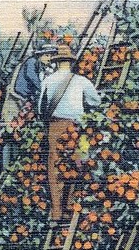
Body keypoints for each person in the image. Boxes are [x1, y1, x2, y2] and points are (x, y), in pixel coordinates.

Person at [38, 45, 101, 223]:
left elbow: (40, 108)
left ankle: (57, 211)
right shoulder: (80, 80)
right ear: (71, 62)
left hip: (55, 125)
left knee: (55, 165)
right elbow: (95, 101)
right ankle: (71, 204)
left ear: (56, 63)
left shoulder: (47, 81)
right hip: (76, 127)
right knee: (79, 162)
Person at [1, 44, 55, 168]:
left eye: (51, 55)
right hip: (14, 101)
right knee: (9, 131)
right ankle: (6, 167)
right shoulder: (31, 62)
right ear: (39, 55)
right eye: (47, 55)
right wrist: (44, 89)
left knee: (18, 133)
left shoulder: (41, 67)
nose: (49, 58)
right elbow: (33, 79)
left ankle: (13, 165)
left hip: (24, 102)